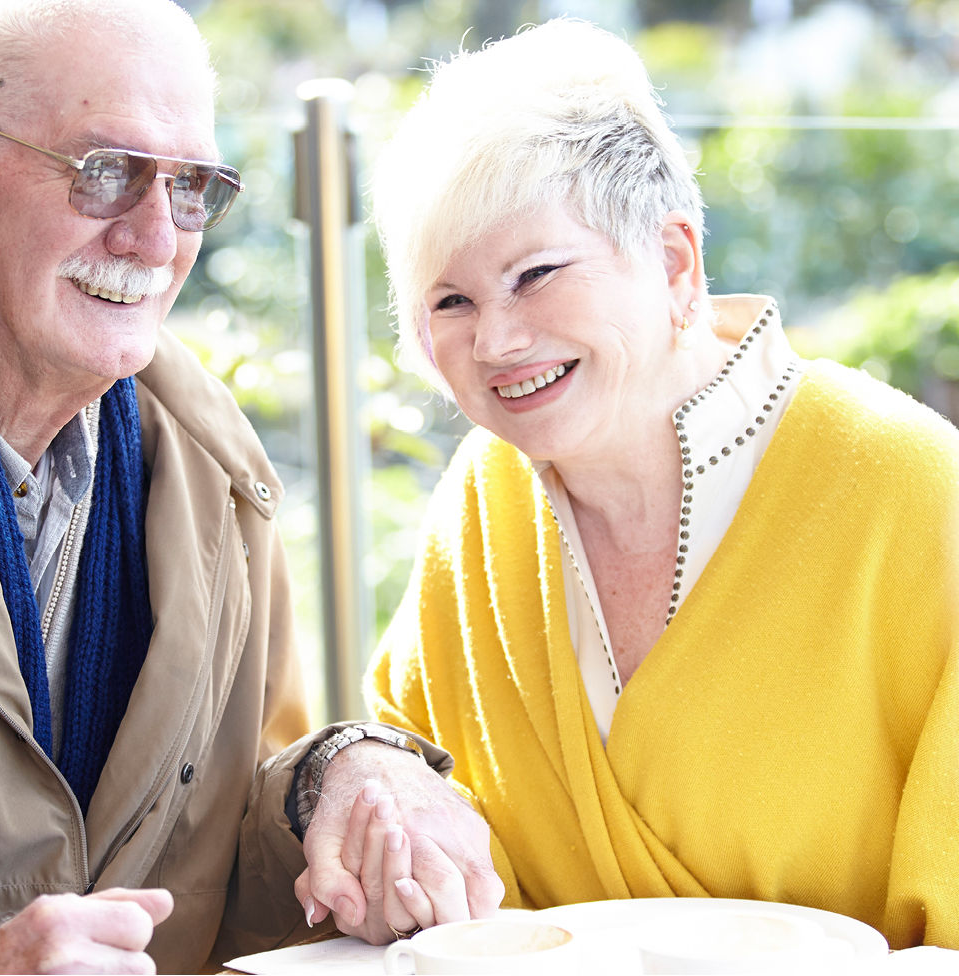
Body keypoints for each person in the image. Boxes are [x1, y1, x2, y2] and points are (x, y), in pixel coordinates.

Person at [0, 1, 499, 972]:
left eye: (193, 184)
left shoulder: (212, 472)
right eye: (105, 172)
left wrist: (340, 778)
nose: (157, 237)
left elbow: (226, 857)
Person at [357, 17, 959, 951]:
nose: (497, 342)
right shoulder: (482, 503)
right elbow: (400, 775)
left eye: (536, 273)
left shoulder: (910, 489)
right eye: (451, 301)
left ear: (674, 262)